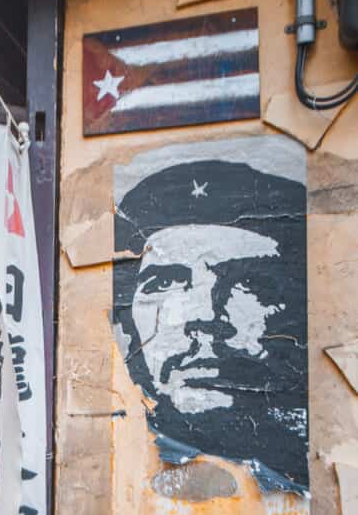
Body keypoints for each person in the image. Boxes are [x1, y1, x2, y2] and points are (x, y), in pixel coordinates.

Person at [113, 157, 308, 492]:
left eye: (246, 282)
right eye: (163, 283)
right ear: (128, 323)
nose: (201, 316)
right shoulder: (113, 469)